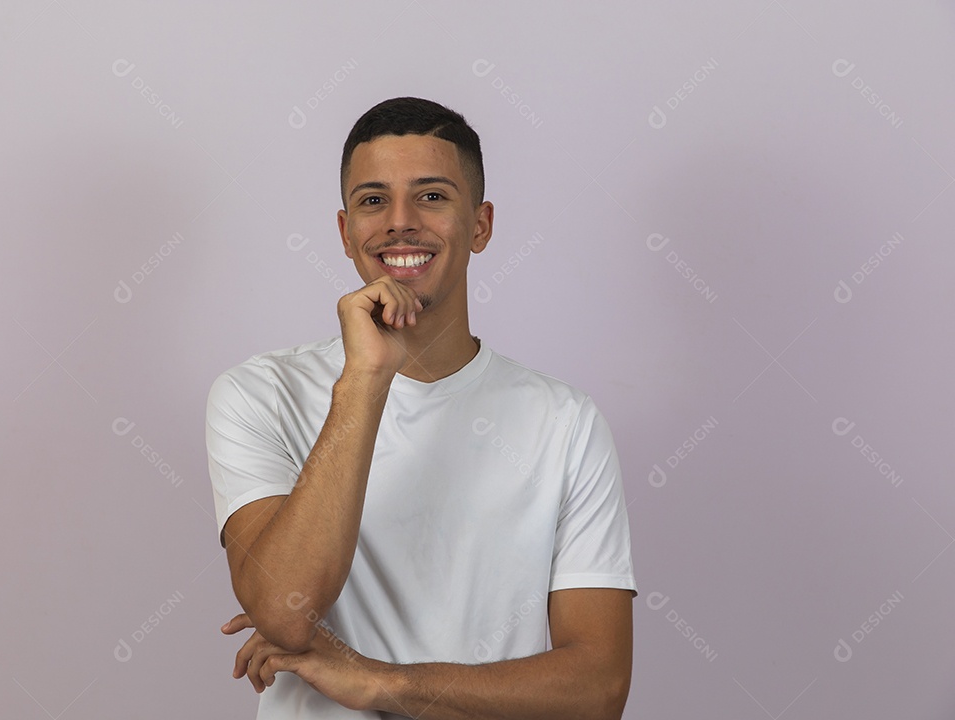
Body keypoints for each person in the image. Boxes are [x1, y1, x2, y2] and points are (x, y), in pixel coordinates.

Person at [206, 96, 637, 719]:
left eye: (431, 196)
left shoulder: (564, 421)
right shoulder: (257, 393)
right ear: (345, 230)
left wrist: (384, 682)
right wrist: (365, 379)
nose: (399, 223)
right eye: (373, 200)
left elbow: (597, 688)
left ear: (482, 224)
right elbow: (284, 611)